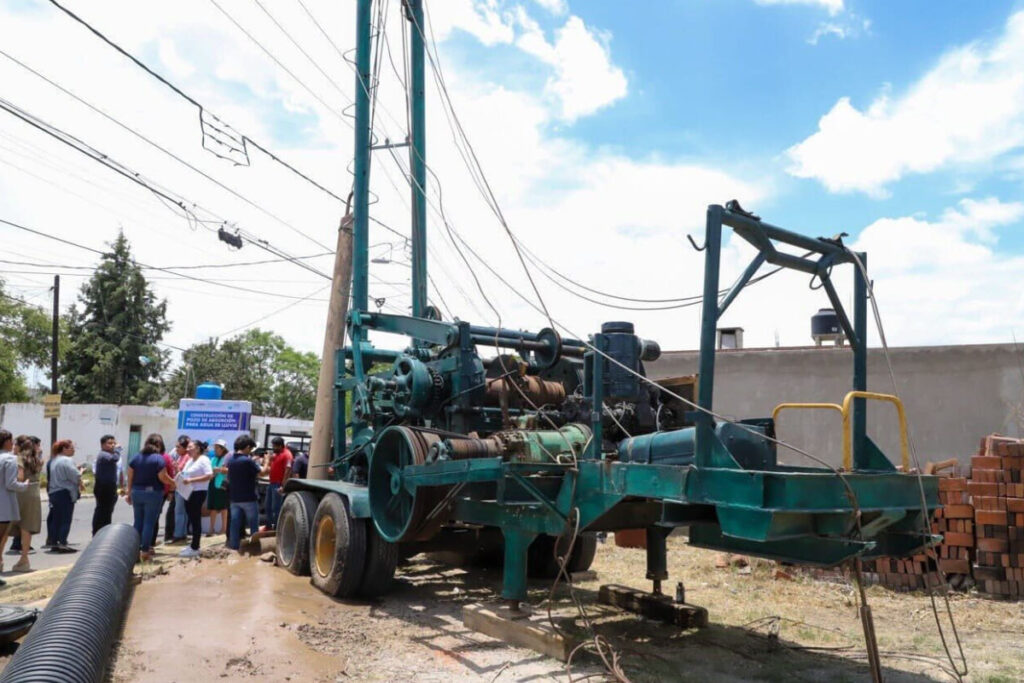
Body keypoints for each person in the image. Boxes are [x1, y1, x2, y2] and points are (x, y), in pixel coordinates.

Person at [126, 433, 175, 561]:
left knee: (138, 521)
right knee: (149, 522)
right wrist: (173, 483)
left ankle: (134, 550)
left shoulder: (135, 457)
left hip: (137, 492)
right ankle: (145, 551)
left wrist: (128, 492)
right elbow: (162, 477)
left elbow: (130, 477)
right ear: (158, 445)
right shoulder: (158, 459)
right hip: (153, 493)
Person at [9, 436, 42, 572]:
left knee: (8, 524)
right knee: (26, 527)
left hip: (21, 492)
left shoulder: (19, 459)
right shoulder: (37, 459)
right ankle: (24, 559)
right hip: (34, 492)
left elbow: (20, 477)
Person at [0, 430, 29, 583]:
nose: (13, 444)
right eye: (11, 441)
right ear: (6, 442)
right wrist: (24, 486)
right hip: (3, 505)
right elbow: (11, 483)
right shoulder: (10, 459)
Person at [178, 439, 213, 558]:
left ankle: (195, 547)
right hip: (188, 492)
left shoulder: (204, 460)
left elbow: (209, 475)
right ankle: (193, 544)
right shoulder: (190, 460)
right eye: (187, 447)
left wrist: (191, 480)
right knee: (192, 518)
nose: (187, 449)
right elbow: (184, 474)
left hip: (198, 492)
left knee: (195, 518)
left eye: (190, 447)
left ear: (198, 448)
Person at [46, 440, 82, 553]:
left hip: (54, 492)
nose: (73, 450)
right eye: (71, 447)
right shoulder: (67, 460)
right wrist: (80, 471)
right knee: (66, 519)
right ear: (64, 449)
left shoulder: (53, 460)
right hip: (64, 491)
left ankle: (54, 542)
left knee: (56, 518)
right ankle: (62, 542)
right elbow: (75, 476)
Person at [226, 435, 261, 551]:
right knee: (253, 525)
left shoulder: (231, 461)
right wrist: (266, 462)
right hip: (249, 498)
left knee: (234, 524)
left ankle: (233, 547)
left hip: (234, 499)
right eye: (250, 449)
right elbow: (261, 473)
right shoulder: (247, 461)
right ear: (247, 447)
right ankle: (254, 548)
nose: (250, 451)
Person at [92, 434, 123, 535]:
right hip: (103, 487)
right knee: (103, 511)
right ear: (103, 445)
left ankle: (103, 531)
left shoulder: (110, 454)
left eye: (114, 443)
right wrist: (118, 450)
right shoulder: (104, 455)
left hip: (110, 487)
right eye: (110, 443)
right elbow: (114, 459)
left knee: (107, 511)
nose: (113, 445)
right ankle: (98, 532)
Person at [262, 437, 292, 530]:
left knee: (276, 508)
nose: (273, 448)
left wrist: (283, 485)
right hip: (271, 483)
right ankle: (268, 526)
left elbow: (288, 470)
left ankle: (277, 527)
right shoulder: (277, 454)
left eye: (275, 446)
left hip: (278, 484)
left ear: (280, 445)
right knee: (268, 506)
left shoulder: (287, 455)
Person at [169, 435, 190, 544]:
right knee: (181, 511)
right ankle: (182, 533)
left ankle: (178, 534)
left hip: (183, 487)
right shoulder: (181, 456)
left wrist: (176, 468)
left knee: (179, 511)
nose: (176, 450)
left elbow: (183, 473)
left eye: (178, 447)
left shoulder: (187, 457)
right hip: (180, 487)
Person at [206, 439, 229, 537]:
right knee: (212, 507)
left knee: (224, 507)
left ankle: (224, 528)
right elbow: (209, 470)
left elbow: (228, 470)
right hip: (212, 484)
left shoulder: (227, 458)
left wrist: (218, 470)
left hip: (222, 485)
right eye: (215, 447)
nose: (215, 449)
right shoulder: (213, 458)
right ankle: (211, 528)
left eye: (217, 448)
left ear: (222, 449)